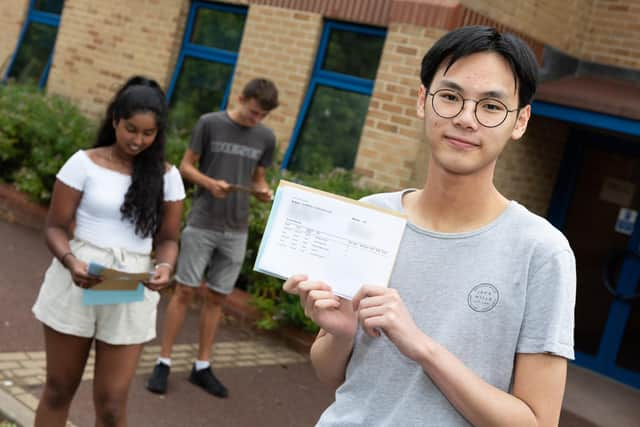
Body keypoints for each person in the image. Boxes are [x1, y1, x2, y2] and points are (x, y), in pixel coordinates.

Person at [283, 26, 576, 426]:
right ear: (423, 100)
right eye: (450, 97)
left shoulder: (541, 251)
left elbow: (536, 422)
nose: (466, 119)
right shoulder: (371, 215)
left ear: (520, 120)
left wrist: (420, 346)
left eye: (491, 106)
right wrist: (340, 333)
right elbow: (328, 373)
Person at [32, 76, 185, 427]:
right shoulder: (83, 163)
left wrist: (165, 265)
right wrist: (70, 261)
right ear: (115, 119)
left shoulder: (167, 177)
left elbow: (169, 238)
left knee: (113, 404)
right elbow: (54, 226)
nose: (138, 140)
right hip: (79, 275)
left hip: (129, 285)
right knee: (58, 388)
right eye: (131, 129)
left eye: (148, 134)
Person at [146, 78, 279, 398]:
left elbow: (258, 180)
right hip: (203, 222)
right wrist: (209, 183)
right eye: (253, 112)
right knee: (184, 292)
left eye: (262, 116)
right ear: (240, 98)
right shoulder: (209, 123)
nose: (256, 120)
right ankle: (163, 362)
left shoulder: (266, 137)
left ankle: (201, 367)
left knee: (218, 297)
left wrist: (263, 193)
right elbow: (185, 166)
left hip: (236, 228)